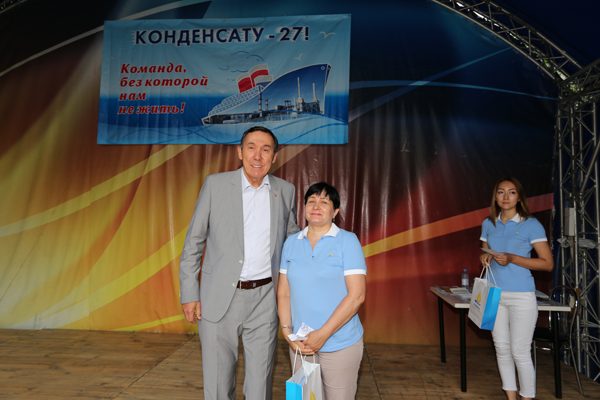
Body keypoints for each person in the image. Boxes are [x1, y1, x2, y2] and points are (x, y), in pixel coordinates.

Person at [179, 126, 300, 400]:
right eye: (251, 147)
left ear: (274, 157)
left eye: (266, 150)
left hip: (265, 300)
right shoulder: (215, 185)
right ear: (239, 152)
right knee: (218, 386)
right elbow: (193, 243)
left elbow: (292, 241)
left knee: (259, 386)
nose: (258, 156)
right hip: (218, 297)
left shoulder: (285, 190)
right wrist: (189, 293)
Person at [278, 182, 367, 400]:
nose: (316, 206)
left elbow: (357, 296)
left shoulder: (348, 241)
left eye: (324, 202)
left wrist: (323, 334)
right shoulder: (291, 243)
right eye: (311, 201)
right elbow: (284, 293)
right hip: (301, 345)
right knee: (305, 397)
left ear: (335, 211)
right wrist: (287, 332)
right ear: (304, 208)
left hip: (340, 344)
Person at [479, 177, 553, 400]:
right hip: (493, 294)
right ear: (495, 197)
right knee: (501, 349)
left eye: (511, 192)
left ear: (519, 197)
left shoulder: (531, 224)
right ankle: (511, 398)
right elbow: (486, 250)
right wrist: (485, 256)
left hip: (521, 295)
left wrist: (513, 258)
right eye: (501, 192)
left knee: (520, 352)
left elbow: (547, 264)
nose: (506, 196)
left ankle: (527, 397)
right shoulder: (488, 223)